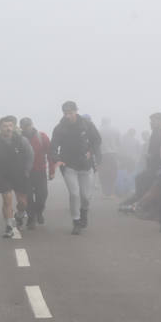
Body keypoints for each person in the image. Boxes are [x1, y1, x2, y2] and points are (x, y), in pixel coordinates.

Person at [49, 101, 102, 235]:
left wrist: (92, 152)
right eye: (65, 113)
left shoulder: (87, 125)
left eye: (70, 113)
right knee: (74, 194)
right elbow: (53, 147)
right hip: (69, 166)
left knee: (85, 196)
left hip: (85, 165)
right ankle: (76, 221)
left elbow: (97, 140)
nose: (68, 116)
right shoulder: (59, 128)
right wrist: (57, 160)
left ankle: (84, 212)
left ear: (76, 111)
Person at [0, 116, 33, 238]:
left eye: (10, 126)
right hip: (3, 175)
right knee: (7, 200)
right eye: (5, 126)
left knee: (23, 202)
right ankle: (9, 227)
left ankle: (20, 214)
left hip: (20, 174)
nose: (8, 128)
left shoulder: (22, 140)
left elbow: (30, 155)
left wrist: (27, 169)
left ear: (14, 127)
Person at [120, 113, 161, 213]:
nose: (151, 123)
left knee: (142, 181)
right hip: (152, 166)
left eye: (153, 121)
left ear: (160, 121)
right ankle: (138, 204)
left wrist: (152, 155)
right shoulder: (155, 132)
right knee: (141, 181)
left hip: (156, 167)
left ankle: (139, 205)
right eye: (151, 121)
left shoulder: (160, 133)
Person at [19, 117, 50, 228]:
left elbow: (49, 153)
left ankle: (39, 212)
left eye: (28, 125)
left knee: (42, 195)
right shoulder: (18, 138)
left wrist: (51, 170)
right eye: (24, 126)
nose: (26, 128)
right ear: (21, 127)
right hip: (24, 172)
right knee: (28, 197)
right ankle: (31, 218)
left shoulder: (42, 137)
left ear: (32, 124)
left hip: (40, 170)